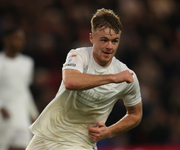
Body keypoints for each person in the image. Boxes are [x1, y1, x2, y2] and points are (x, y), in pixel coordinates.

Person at [26, 8, 143, 150]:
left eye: (115, 41)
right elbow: (70, 82)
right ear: (91, 38)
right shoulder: (78, 55)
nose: (109, 47)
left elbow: (135, 114)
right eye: (104, 40)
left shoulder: (126, 76)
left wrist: (109, 131)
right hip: (47, 135)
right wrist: (112, 78)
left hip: (79, 143)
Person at [0, 27, 39, 150]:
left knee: (23, 146)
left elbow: (24, 89)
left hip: (21, 115)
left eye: (22, 39)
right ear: (6, 40)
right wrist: (1, 106)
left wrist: (33, 113)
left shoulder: (27, 63)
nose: (20, 42)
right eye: (17, 39)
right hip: (3, 115)